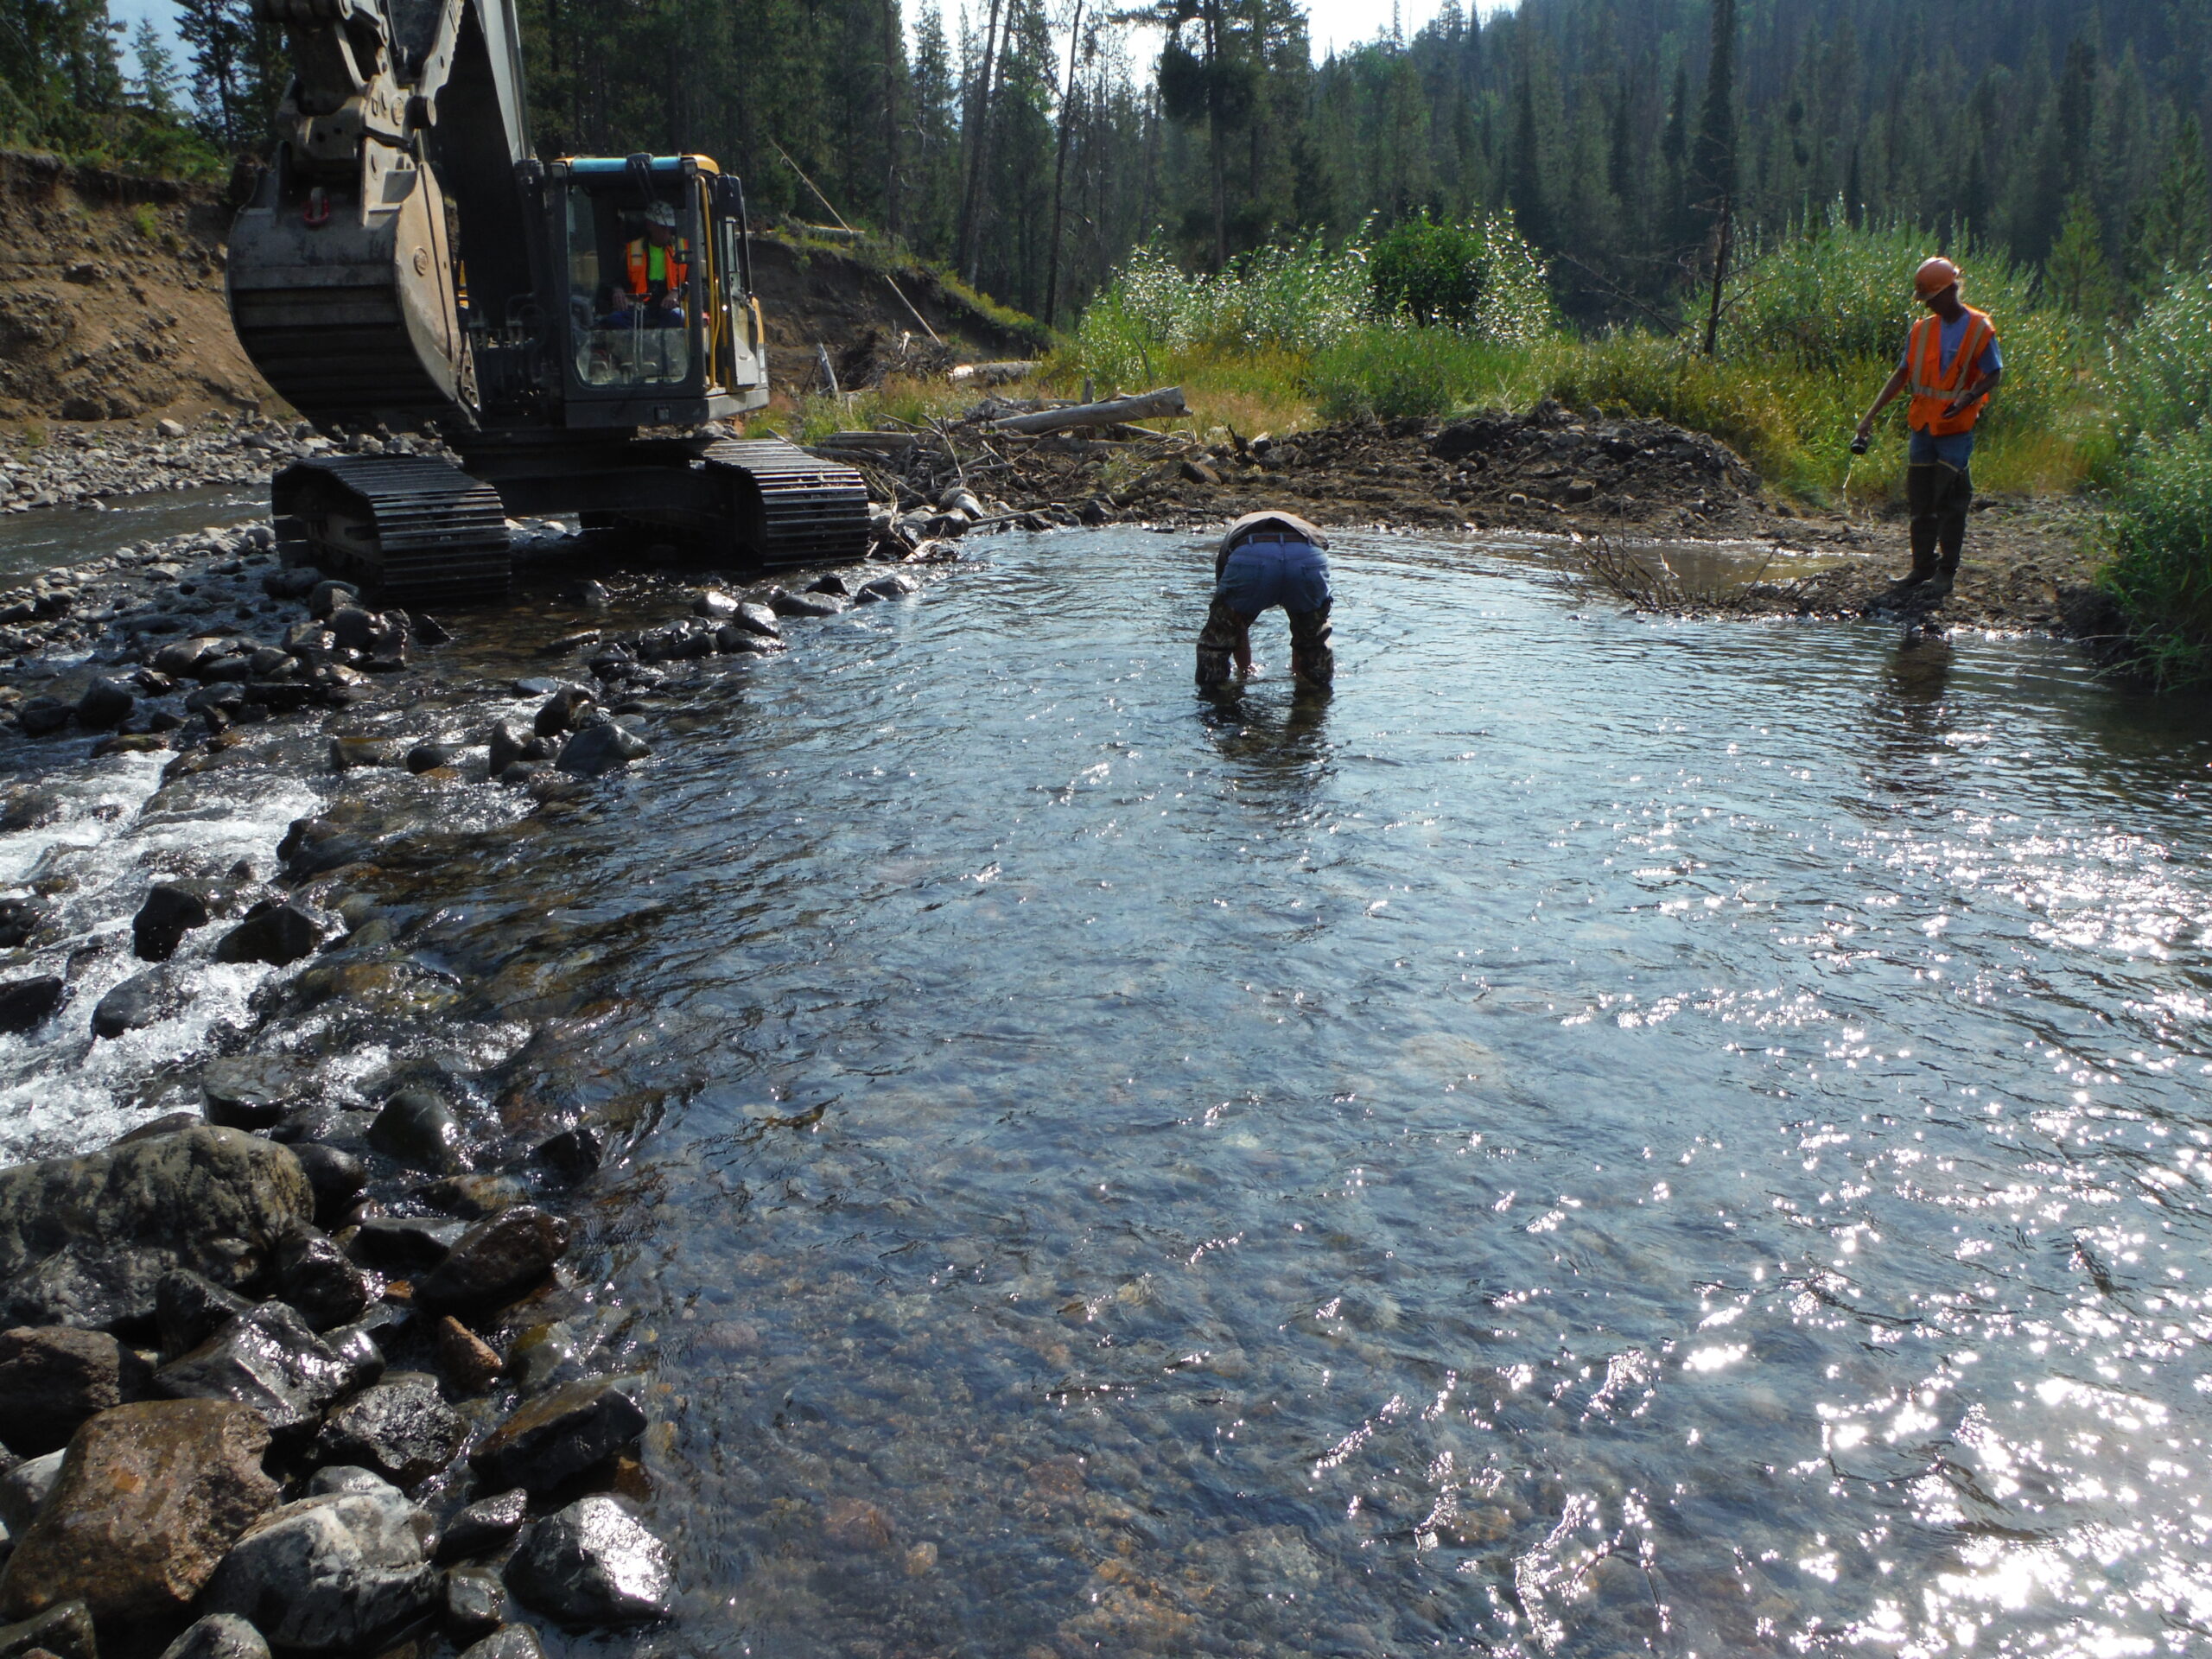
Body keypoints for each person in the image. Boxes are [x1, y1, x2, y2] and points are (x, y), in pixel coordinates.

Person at [1853, 256, 2004, 603]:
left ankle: (1946, 573)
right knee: (1921, 499)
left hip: (1956, 428)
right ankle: (1921, 566)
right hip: (1922, 426)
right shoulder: (1922, 330)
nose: (1929, 304)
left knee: (1951, 502)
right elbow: (1901, 374)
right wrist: (1870, 415)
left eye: (1932, 297)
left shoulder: (1980, 327)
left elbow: (1994, 373)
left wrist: (1969, 397)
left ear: (1951, 290)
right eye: (1926, 300)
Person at [1196, 511, 1334, 690]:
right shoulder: (1302, 524)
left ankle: (1216, 701)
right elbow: (1303, 627)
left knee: (1218, 641)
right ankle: (1313, 699)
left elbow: (1236, 624)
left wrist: (1245, 669)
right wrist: (1298, 670)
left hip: (1251, 552)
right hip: (1307, 552)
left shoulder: (1235, 534)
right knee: (1313, 638)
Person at [625, 201, 690, 324]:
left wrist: (677, 291)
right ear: (650, 225)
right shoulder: (632, 250)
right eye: (662, 227)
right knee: (614, 319)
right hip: (640, 308)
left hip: (669, 307)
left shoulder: (684, 249)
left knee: (679, 317)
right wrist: (617, 290)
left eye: (669, 228)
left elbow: (694, 281)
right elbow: (619, 280)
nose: (667, 232)